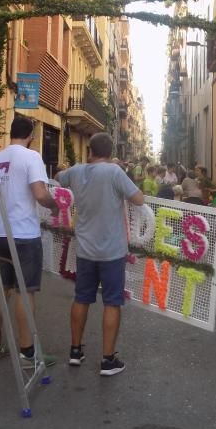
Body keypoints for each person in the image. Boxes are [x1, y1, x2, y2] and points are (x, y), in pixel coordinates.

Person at [57, 133, 144, 376]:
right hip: (112, 251)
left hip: (85, 250)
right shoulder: (114, 172)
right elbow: (139, 199)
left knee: (81, 298)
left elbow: (57, 179)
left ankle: (75, 351)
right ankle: (107, 360)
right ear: (109, 153)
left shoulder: (76, 171)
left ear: (90, 151)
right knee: (112, 302)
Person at [0, 116, 59, 367]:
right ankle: (27, 352)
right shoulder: (31, 157)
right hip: (23, 234)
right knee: (24, 291)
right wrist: (55, 206)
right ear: (30, 136)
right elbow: (39, 193)